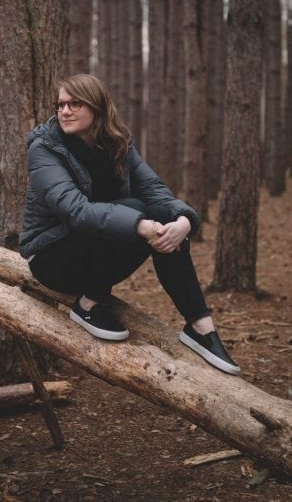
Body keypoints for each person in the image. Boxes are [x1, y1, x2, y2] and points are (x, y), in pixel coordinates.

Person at [19, 73, 240, 375]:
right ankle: (87, 305)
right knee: (137, 211)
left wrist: (185, 220)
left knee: (163, 217)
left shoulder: (117, 143)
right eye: (60, 104)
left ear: (97, 107)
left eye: (75, 104)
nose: (64, 111)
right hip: (53, 257)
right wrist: (140, 226)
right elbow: (75, 211)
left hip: (96, 252)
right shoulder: (45, 148)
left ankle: (200, 326)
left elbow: (155, 190)